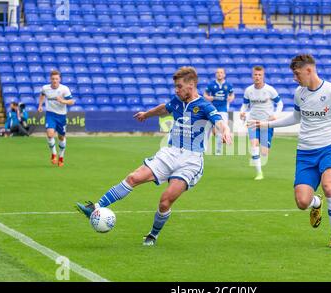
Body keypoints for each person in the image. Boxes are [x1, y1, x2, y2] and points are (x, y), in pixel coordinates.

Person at [76, 67, 232, 246]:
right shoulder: (177, 101)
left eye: (179, 86)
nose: (176, 90)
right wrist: (146, 115)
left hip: (191, 161)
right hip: (170, 153)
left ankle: (152, 235)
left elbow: (218, 120)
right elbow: (163, 109)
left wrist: (225, 131)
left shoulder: (204, 106)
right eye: (175, 86)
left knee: (165, 202)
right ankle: (95, 207)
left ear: (191, 85)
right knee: (133, 177)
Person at [248, 54, 331, 248]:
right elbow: (295, 118)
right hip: (305, 152)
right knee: (302, 202)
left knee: (329, 186)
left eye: (297, 74)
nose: (295, 78)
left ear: (309, 70)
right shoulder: (299, 93)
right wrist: (267, 124)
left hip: (329, 148)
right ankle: (316, 203)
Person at [239, 66, 283, 180]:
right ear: (252, 76)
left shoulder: (270, 90)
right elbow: (245, 105)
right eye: (255, 75)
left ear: (263, 76)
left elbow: (280, 103)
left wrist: (275, 116)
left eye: (259, 75)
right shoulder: (248, 90)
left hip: (266, 123)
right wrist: (242, 112)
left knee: (264, 153)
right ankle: (259, 173)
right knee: (254, 145)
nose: (257, 77)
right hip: (252, 121)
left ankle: (261, 155)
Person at [38, 70, 75, 167]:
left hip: (61, 116)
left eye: (56, 79)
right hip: (50, 114)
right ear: (50, 79)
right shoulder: (45, 88)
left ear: (60, 79)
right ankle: (54, 154)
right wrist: (40, 105)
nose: (55, 80)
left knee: (61, 137)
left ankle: (61, 156)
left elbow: (71, 102)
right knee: (50, 134)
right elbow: (42, 95)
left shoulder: (64, 89)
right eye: (53, 79)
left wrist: (62, 101)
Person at [203, 68, 235, 155]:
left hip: (223, 110)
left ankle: (218, 150)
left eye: (221, 72)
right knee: (208, 129)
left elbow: (232, 94)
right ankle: (204, 148)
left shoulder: (228, 85)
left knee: (220, 130)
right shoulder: (211, 84)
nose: (219, 74)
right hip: (212, 110)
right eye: (217, 72)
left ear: (224, 74)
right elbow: (205, 94)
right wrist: (208, 98)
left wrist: (231, 98)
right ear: (215, 74)